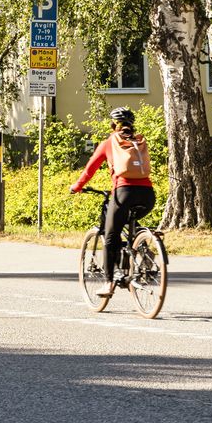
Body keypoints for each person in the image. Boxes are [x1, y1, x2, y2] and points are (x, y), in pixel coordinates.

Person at [71, 107, 155, 297]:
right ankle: (142, 247)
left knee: (110, 236)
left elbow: (90, 168)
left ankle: (108, 283)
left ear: (112, 125)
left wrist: (76, 186)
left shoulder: (110, 142)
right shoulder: (140, 141)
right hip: (148, 195)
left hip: (123, 192)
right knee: (127, 223)